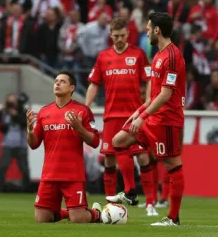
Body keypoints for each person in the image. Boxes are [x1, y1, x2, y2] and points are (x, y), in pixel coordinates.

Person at [111, 12, 186, 226]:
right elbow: (154, 95)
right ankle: (130, 192)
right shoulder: (158, 55)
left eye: (148, 27)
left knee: (172, 164)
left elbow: (166, 94)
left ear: (157, 30)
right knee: (119, 141)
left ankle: (173, 217)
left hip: (166, 120)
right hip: (152, 116)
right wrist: (139, 111)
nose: (145, 30)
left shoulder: (172, 55)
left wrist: (143, 116)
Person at [85, 17, 158, 216]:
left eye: (122, 36)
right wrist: (86, 106)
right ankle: (112, 206)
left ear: (128, 35)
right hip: (111, 116)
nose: (118, 39)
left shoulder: (138, 54)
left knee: (143, 157)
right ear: (110, 35)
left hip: (134, 115)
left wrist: (149, 99)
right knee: (109, 161)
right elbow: (94, 84)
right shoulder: (103, 57)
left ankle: (150, 203)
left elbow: (149, 78)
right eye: (115, 36)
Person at [26, 71, 102, 223]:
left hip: (72, 175)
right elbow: (34, 144)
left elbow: (95, 142)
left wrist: (79, 127)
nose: (57, 83)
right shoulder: (44, 112)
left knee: (79, 219)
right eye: (56, 81)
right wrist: (29, 131)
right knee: (41, 219)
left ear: (72, 88)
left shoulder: (82, 111)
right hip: (49, 175)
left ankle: (97, 213)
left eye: (62, 81)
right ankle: (68, 213)